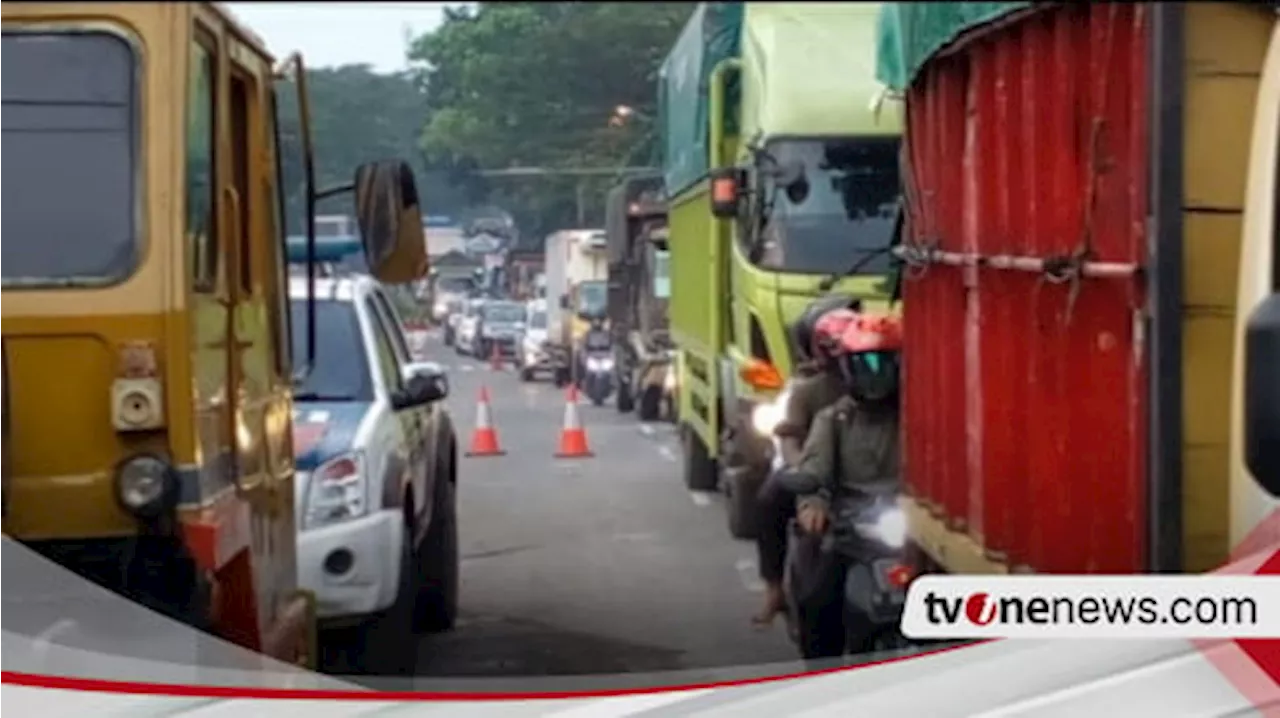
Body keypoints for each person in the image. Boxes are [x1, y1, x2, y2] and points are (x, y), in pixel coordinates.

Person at [787, 312, 902, 659]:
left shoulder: (922, 413)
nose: (875, 376)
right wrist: (813, 502)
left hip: (913, 530)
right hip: (851, 531)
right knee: (818, 599)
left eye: (885, 364)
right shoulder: (834, 419)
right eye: (864, 365)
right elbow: (813, 468)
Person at [752, 296, 862, 628]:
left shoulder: (889, 385)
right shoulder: (807, 392)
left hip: (868, 479)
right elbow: (790, 438)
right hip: (818, 474)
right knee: (769, 500)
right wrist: (806, 474)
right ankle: (774, 589)